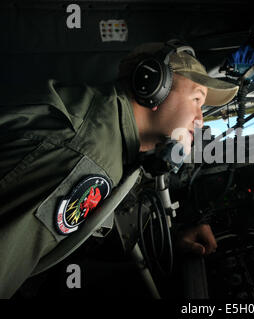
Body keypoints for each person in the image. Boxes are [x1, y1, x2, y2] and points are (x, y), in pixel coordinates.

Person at [0, 41, 239, 298]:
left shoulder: (106, 127)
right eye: (196, 100)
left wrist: (170, 241)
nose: (200, 119)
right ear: (154, 85)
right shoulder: (91, 157)